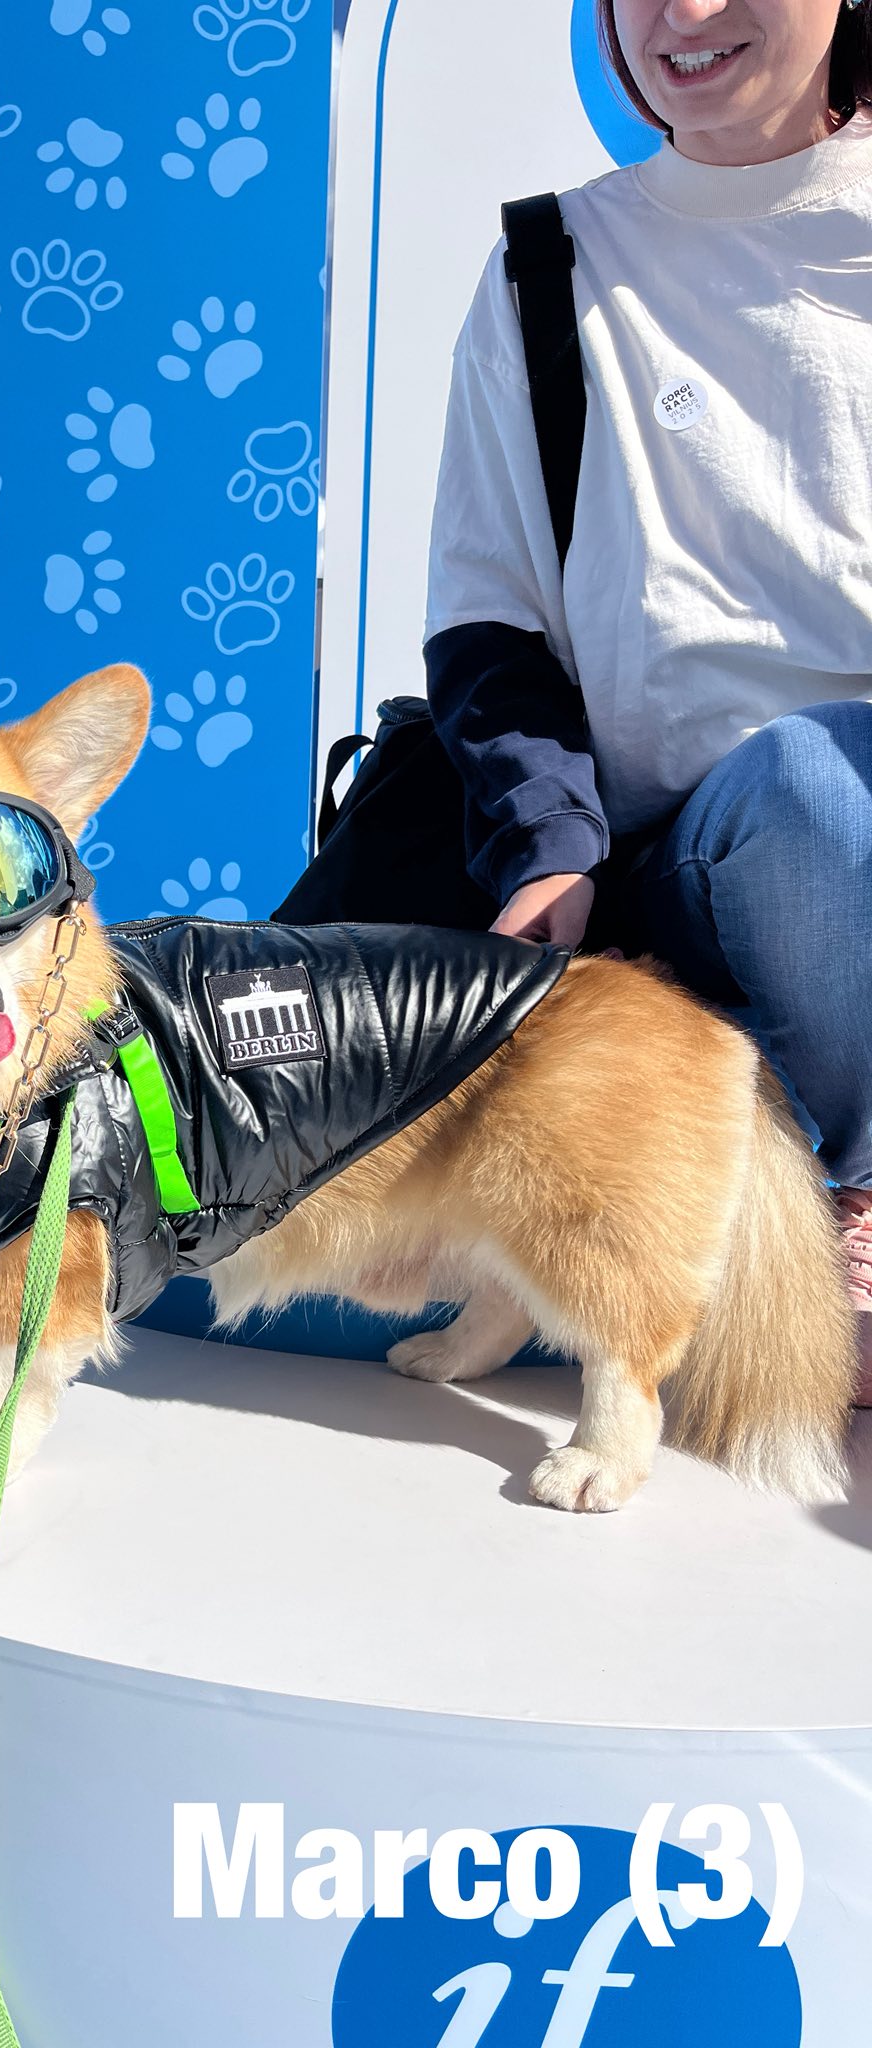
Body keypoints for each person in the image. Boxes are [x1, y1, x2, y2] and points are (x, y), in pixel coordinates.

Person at [424, 0, 872, 1393]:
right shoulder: (547, 264)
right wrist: (546, 847)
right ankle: (820, 1206)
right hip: (671, 879)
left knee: (832, 781)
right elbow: (490, 620)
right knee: (807, 791)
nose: (684, 15)